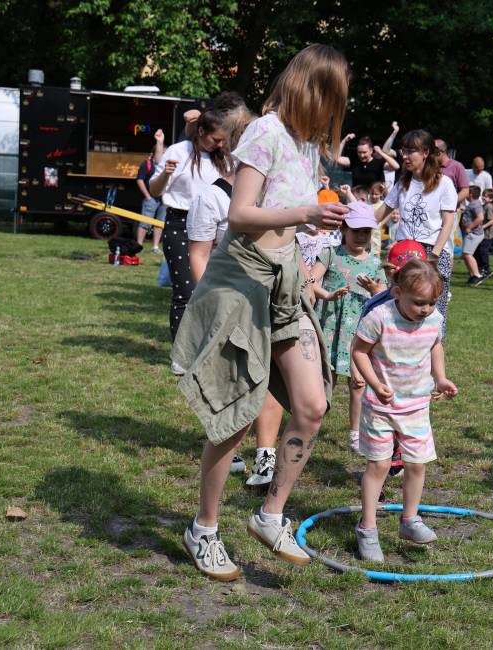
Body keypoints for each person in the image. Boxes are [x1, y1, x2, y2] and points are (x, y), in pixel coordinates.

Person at [171, 44, 350, 580]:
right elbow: (241, 214)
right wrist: (304, 210)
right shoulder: (265, 132)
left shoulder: (306, 144)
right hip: (242, 281)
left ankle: (270, 516)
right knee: (236, 414)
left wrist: (312, 220)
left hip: (285, 281)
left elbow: (283, 214)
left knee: (312, 405)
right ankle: (203, 529)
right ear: (312, 91)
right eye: (334, 98)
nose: (335, 111)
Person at [183, 104, 276, 483]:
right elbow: (199, 255)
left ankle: (266, 455)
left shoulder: (277, 195)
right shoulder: (212, 197)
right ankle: (229, 444)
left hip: (269, 294)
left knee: (270, 376)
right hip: (229, 298)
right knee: (235, 378)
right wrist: (213, 306)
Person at [351, 260, 458, 562]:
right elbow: (359, 350)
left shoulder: (434, 319)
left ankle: (410, 520)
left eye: (432, 303)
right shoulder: (380, 317)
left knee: (417, 463)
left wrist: (441, 378)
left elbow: (435, 345)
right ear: (398, 293)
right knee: (379, 466)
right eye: (419, 303)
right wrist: (374, 383)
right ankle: (367, 529)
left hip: (416, 406)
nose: (426, 309)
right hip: (381, 407)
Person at [311, 202, 388, 452]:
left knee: (358, 382)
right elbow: (311, 280)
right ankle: (310, 426)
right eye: (356, 231)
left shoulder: (374, 263)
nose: (361, 236)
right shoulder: (330, 254)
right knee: (326, 380)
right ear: (343, 229)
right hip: (331, 327)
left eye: (366, 231)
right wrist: (327, 294)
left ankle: (355, 432)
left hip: (359, 332)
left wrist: (374, 290)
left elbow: (385, 296)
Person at [149, 109, 231, 340]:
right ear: (201, 131)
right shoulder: (178, 151)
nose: (220, 144)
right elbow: (155, 191)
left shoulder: (224, 158)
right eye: (216, 139)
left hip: (215, 227)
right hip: (180, 224)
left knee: (215, 292)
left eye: (223, 140)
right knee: (186, 292)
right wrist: (165, 174)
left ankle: (208, 346)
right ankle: (181, 350)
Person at [376, 130, 457, 341]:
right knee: (400, 310)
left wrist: (434, 256)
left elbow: (448, 223)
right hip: (404, 253)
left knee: (433, 314)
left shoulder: (444, 183)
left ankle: (433, 360)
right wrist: (351, 218)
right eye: (404, 151)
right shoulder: (402, 183)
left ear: (425, 153)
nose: (405, 156)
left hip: (433, 253)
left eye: (411, 151)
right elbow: (377, 216)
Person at [135, 129, 165, 253]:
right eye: (161, 152)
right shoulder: (146, 164)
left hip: (164, 199)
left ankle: (155, 247)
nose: (163, 155)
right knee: (145, 222)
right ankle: (139, 246)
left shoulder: (166, 165)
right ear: (154, 153)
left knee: (160, 223)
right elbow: (140, 180)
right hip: (151, 197)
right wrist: (147, 196)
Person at [461, 186, 485, 285]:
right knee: (465, 254)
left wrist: (469, 227)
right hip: (472, 233)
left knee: (467, 254)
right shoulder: (473, 204)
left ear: (470, 194)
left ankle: (477, 275)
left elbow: (480, 218)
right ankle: (472, 276)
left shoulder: (475, 205)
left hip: (474, 233)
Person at [435, 138, 470, 204]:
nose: (430, 155)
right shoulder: (430, 166)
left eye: (434, 152)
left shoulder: (457, 166)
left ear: (442, 152)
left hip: (448, 209)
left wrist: (451, 204)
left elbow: (465, 190)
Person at [476, 189, 493, 278]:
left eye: (486, 196)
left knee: (483, 251)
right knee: (479, 251)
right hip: (482, 234)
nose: (483, 197)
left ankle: (487, 269)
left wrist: (483, 227)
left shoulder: (489, 206)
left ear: (491, 199)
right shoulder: (484, 205)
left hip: (487, 234)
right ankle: (481, 268)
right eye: (483, 195)